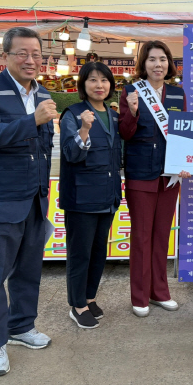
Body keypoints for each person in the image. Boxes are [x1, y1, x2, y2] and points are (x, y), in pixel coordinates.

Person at [0, 27, 55, 377]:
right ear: (4, 56)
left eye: (36, 53)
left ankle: (21, 326)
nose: (31, 60)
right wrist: (32, 120)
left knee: (28, 270)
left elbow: (43, 148)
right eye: (22, 53)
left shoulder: (44, 92)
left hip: (34, 199)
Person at [118, 40, 190, 317]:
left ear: (169, 63)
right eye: (151, 59)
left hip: (169, 177)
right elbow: (125, 133)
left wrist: (185, 162)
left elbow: (184, 133)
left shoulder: (177, 94)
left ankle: (160, 292)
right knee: (142, 237)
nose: (157, 64)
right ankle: (139, 296)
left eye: (162, 59)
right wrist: (133, 112)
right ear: (143, 64)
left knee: (162, 236)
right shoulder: (131, 91)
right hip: (141, 174)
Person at [59, 62, 122, 329]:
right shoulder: (72, 114)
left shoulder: (114, 114)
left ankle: (90, 297)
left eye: (104, 80)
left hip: (107, 195)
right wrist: (84, 129)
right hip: (81, 197)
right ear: (83, 85)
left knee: (98, 251)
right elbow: (71, 154)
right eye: (93, 80)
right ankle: (77, 304)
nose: (100, 85)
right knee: (80, 253)